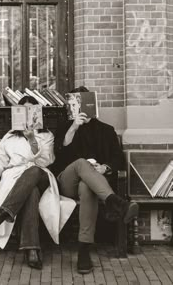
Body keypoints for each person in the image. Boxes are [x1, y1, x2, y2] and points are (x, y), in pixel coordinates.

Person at [0, 96, 75, 269]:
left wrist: (32, 139)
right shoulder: (9, 137)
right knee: (30, 192)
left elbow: (46, 161)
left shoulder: (46, 135)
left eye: (31, 110)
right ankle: (31, 249)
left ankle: (6, 210)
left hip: (40, 176)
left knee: (32, 171)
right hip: (17, 181)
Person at [50, 86, 139, 274]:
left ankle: (84, 251)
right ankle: (115, 202)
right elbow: (59, 154)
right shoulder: (65, 127)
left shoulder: (106, 130)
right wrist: (74, 127)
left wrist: (104, 168)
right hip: (66, 182)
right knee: (82, 164)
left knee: (87, 186)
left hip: (91, 185)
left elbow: (117, 158)